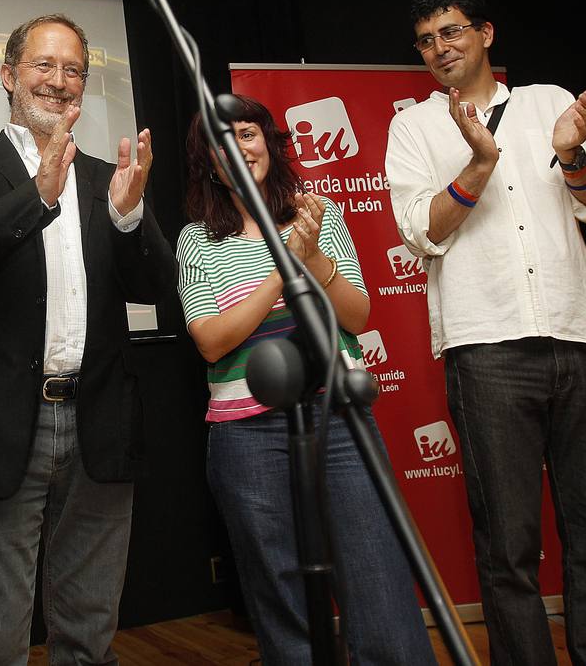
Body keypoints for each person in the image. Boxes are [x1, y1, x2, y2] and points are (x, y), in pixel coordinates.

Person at [385, 0, 586, 665]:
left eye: (450, 32)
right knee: (507, 544)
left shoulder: (545, 102)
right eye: (425, 40)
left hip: (577, 335)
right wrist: (476, 164)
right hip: (486, 346)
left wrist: (569, 154)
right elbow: (419, 233)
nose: (438, 48)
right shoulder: (414, 126)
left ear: (485, 33)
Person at [0, 14, 176, 665]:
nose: (58, 82)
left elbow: (154, 285)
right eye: (43, 65)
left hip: (99, 425)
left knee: (88, 632)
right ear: (8, 76)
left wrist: (127, 213)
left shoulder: (107, 178)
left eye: (73, 69)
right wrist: (34, 197)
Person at [175, 96, 436, 666]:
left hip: (336, 416)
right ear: (209, 162)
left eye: (247, 133)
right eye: (223, 141)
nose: (239, 148)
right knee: (280, 587)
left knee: (377, 572)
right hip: (245, 434)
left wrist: (314, 257)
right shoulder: (197, 239)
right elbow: (212, 340)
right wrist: (280, 269)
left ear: (266, 142)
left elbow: (358, 316)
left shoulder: (321, 214)